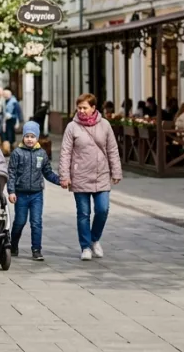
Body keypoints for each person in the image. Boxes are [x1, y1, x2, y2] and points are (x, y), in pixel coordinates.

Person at [59, 93, 122, 261]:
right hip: (79, 175)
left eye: (84, 108)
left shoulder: (105, 125)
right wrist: (64, 176)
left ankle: (94, 239)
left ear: (93, 108)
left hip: (101, 174)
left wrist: (116, 171)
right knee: (83, 213)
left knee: (103, 209)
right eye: (79, 108)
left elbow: (112, 149)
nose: (81, 111)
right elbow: (65, 153)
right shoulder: (72, 127)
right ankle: (85, 246)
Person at [6, 121, 60, 261]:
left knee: (36, 222)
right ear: (23, 137)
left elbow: (47, 172)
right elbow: (11, 173)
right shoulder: (17, 153)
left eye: (33, 136)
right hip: (21, 193)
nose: (30, 139)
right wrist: (11, 191)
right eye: (27, 136)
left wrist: (60, 181)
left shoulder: (42, 153)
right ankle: (13, 245)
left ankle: (36, 249)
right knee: (20, 221)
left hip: (36, 194)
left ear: (37, 138)